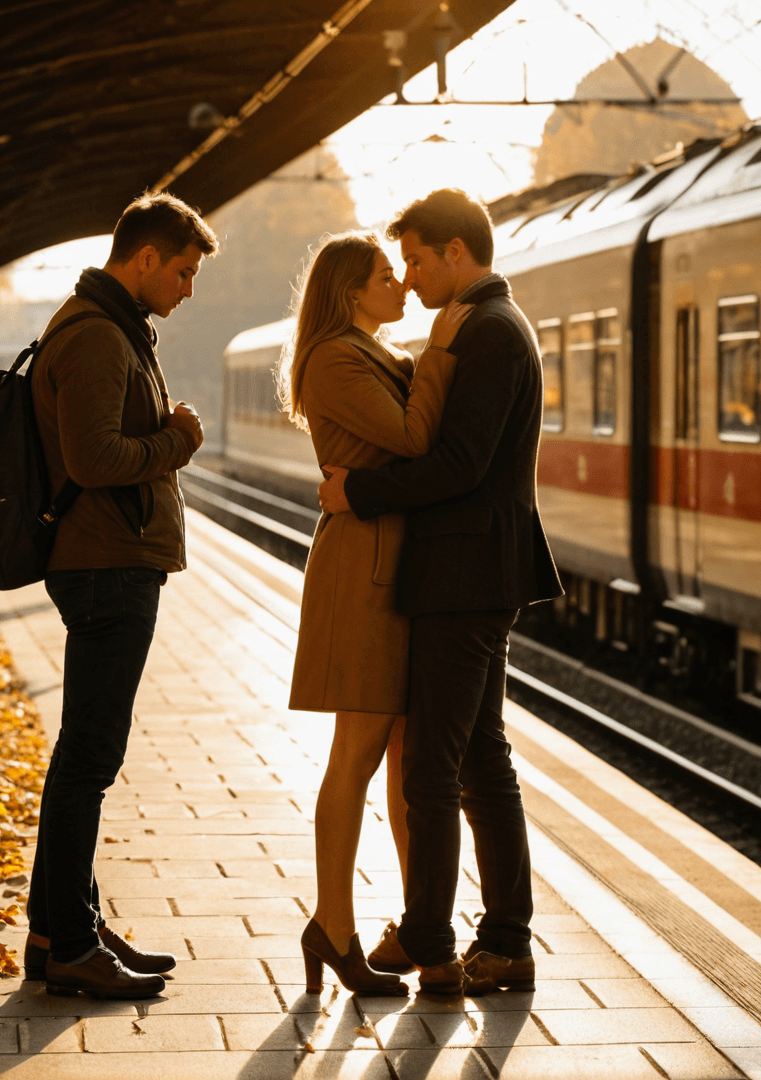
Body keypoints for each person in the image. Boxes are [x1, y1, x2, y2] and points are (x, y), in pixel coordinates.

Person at [318, 189, 563, 995]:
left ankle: (435, 934)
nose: (413, 276)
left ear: (457, 253)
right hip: (476, 569)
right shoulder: (488, 326)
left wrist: (363, 492)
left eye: (418, 259)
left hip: (464, 574)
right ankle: (506, 941)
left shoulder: (488, 333)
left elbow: (456, 463)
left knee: (433, 763)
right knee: (482, 761)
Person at [24, 192, 215, 999]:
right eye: (182, 270)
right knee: (89, 755)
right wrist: (178, 440)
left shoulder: (110, 326)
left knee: (88, 753)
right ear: (142, 258)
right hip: (106, 565)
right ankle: (68, 943)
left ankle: (62, 924)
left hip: (112, 559)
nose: (187, 287)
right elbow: (96, 456)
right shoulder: (100, 337)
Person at [281, 233, 467, 996]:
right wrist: (443, 353)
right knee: (356, 753)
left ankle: (412, 926)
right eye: (388, 276)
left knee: (396, 756)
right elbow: (413, 436)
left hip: (390, 562)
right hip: (364, 568)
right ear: (353, 291)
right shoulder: (335, 358)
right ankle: (333, 926)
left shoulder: (371, 355)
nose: (402, 284)